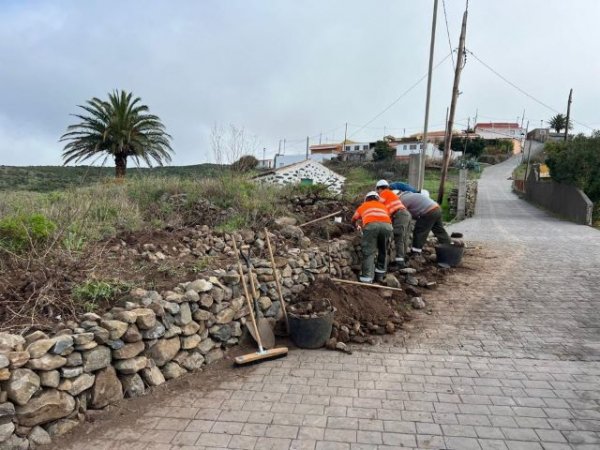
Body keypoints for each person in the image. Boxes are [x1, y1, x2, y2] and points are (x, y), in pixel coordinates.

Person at [351, 191, 393, 283]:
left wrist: (355, 226)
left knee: (369, 252)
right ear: (377, 199)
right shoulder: (383, 206)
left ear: (366, 199)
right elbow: (387, 217)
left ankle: (366, 278)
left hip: (371, 226)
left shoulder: (363, 206)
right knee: (383, 251)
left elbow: (354, 218)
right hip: (387, 226)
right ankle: (380, 276)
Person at [375, 179, 411, 267]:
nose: (378, 192)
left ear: (380, 188)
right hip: (404, 214)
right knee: (403, 238)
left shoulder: (384, 193)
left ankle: (400, 263)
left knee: (398, 236)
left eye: (377, 190)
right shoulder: (390, 194)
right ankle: (402, 260)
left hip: (400, 215)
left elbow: (378, 206)